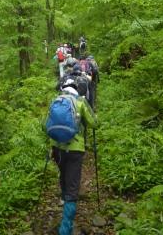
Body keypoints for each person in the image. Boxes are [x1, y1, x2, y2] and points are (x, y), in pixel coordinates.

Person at [51, 82, 99, 235]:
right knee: (73, 186)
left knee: (64, 175)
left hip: (57, 148)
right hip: (75, 149)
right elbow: (94, 124)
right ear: (76, 90)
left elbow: (44, 126)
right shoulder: (80, 102)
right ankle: (65, 229)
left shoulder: (55, 101)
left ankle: (64, 198)